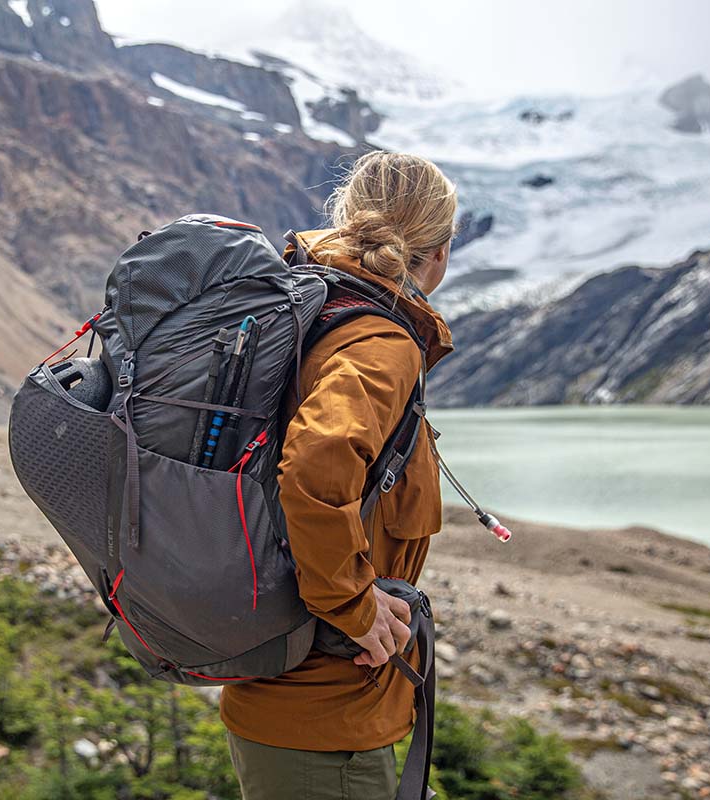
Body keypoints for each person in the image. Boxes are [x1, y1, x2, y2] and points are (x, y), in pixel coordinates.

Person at [220, 150, 457, 800]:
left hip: (285, 693)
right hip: (326, 720)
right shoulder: (380, 343)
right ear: (435, 255)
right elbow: (317, 463)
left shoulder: (308, 307)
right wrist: (351, 608)